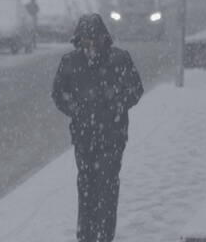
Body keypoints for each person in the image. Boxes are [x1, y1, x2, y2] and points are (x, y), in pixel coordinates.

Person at [51, 13, 144, 242]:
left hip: (112, 135)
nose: (91, 44)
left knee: (107, 186)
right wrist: (76, 109)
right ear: (79, 39)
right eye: (86, 39)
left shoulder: (119, 59)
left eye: (95, 39)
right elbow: (59, 94)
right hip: (84, 136)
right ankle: (86, 235)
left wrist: (116, 102)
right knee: (86, 186)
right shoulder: (70, 62)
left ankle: (104, 236)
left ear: (104, 38)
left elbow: (135, 89)